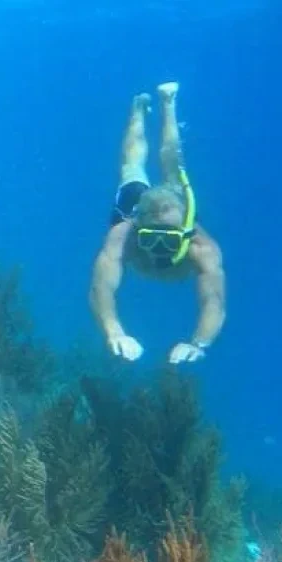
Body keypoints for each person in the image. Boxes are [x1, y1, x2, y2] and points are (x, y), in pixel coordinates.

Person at [89, 82, 227, 365]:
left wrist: (198, 343)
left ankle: (168, 104)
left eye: (171, 240)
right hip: (141, 208)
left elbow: (214, 300)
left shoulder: (202, 249)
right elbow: (100, 287)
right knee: (132, 167)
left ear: (186, 233)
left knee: (171, 163)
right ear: (139, 229)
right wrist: (114, 333)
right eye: (152, 239)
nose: (161, 249)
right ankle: (138, 111)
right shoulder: (123, 236)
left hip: (174, 204)